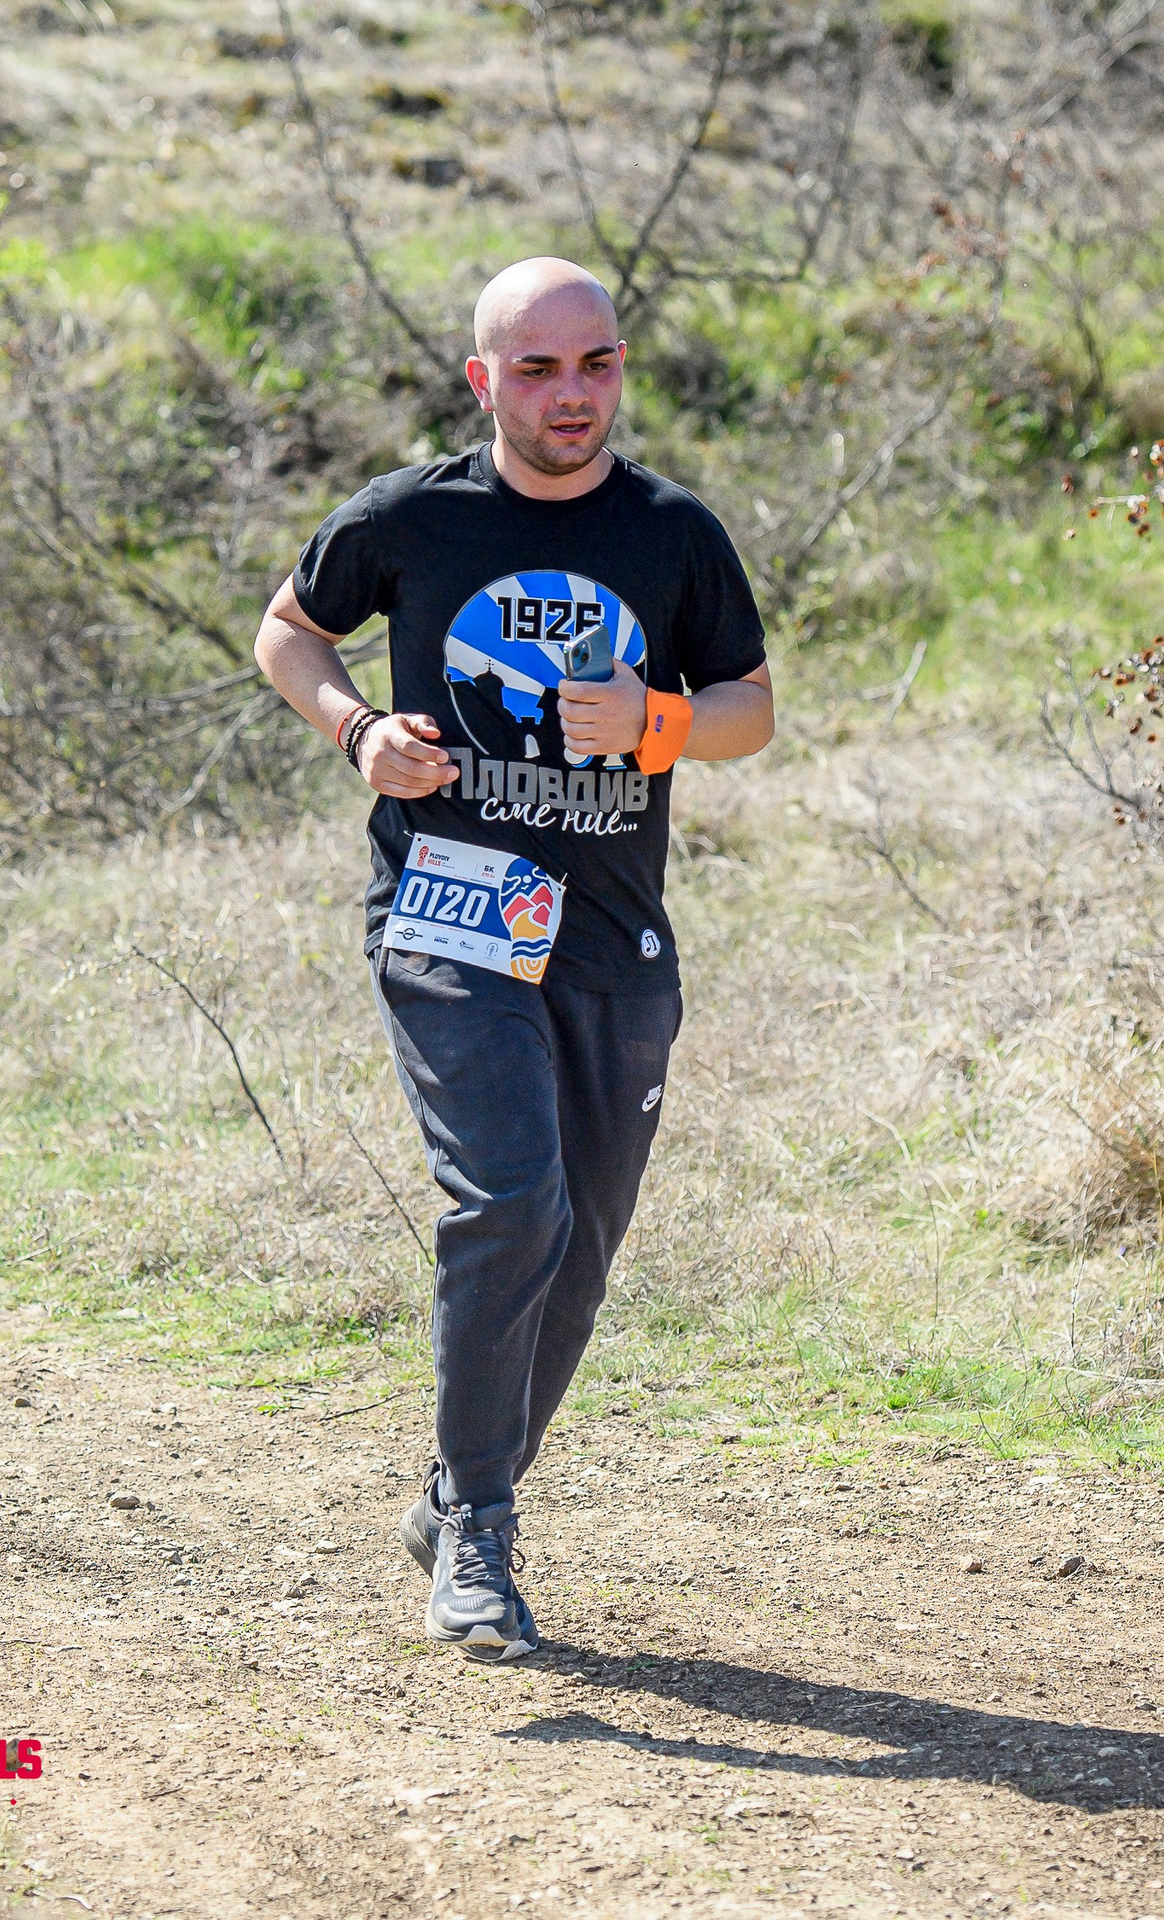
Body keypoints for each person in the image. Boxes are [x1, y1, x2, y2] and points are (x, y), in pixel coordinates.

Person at [253, 257, 775, 1659]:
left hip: (612, 936)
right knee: (510, 1201)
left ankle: (453, 1492)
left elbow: (751, 706)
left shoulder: (673, 532)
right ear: (484, 380)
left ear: (621, 368)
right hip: (450, 909)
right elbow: (289, 632)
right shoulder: (411, 517)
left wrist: (660, 724)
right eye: (536, 370)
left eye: (594, 364)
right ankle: (483, 1528)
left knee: (579, 1254)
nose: (570, 394)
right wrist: (361, 732)